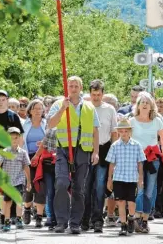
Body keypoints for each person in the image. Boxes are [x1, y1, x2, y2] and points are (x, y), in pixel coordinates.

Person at [47, 76, 101, 234]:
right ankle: (61, 221)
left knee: (79, 188)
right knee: (62, 183)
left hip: (83, 150)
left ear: (81, 87)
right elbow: (50, 124)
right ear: (66, 87)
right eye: (70, 85)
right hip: (63, 149)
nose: (73, 88)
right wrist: (63, 109)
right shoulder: (58, 104)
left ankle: (75, 223)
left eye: (76, 86)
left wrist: (96, 152)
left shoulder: (90, 107)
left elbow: (95, 130)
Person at [82, 79, 118, 233]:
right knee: (86, 186)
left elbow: (114, 133)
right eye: (93, 94)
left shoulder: (109, 109)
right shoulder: (84, 108)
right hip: (85, 149)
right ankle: (86, 219)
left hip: (104, 150)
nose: (96, 97)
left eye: (98, 94)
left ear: (103, 94)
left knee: (99, 186)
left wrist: (115, 155)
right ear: (90, 94)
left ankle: (98, 219)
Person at [130, 92, 163, 233]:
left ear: (152, 106)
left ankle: (145, 219)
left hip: (153, 160)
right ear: (138, 105)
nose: (145, 104)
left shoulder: (157, 120)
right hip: (136, 160)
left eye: (147, 102)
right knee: (139, 190)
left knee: (149, 191)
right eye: (142, 102)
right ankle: (137, 217)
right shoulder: (132, 121)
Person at [0, 89, 24, 228]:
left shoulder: (13, 117)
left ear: (7, 101)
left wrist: (19, 154)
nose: (1, 102)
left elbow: (20, 137)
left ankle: (6, 215)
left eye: (4, 99)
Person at [106, 119, 146, 236]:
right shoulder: (115, 146)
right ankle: (123, 225)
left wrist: (140, 178)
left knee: (131, 202)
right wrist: (109, 179)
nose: (124, 133)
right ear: (118, 132)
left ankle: (131, 217)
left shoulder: (136, 145)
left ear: (130, 132)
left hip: (132, 178)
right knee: (121, 202)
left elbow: (140, 163)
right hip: (118, 178)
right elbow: (112, 163)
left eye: (126, 131)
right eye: (121, 131)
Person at [0, 127, 32, 232]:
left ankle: (19, 219)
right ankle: (7, 221)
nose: (14, 140)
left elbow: (26, 167)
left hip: (19, 180)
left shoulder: (23, 153)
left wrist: (29, 181)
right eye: (11, 138)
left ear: (20, 138)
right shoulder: (4, 152)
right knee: (7, 202)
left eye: (16, 138)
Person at [22, 99, 47, 227]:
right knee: (29, 184)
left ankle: (39, 216)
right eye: (35, 108)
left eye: (40, 108)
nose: (38, 111)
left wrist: (42, 144)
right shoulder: (24, 124)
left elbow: (51, 139)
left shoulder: (46, 123)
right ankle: (26, 209)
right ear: (30, 110)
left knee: (41, 186)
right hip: (28, 156)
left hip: (43, 158)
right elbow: (20, 141)